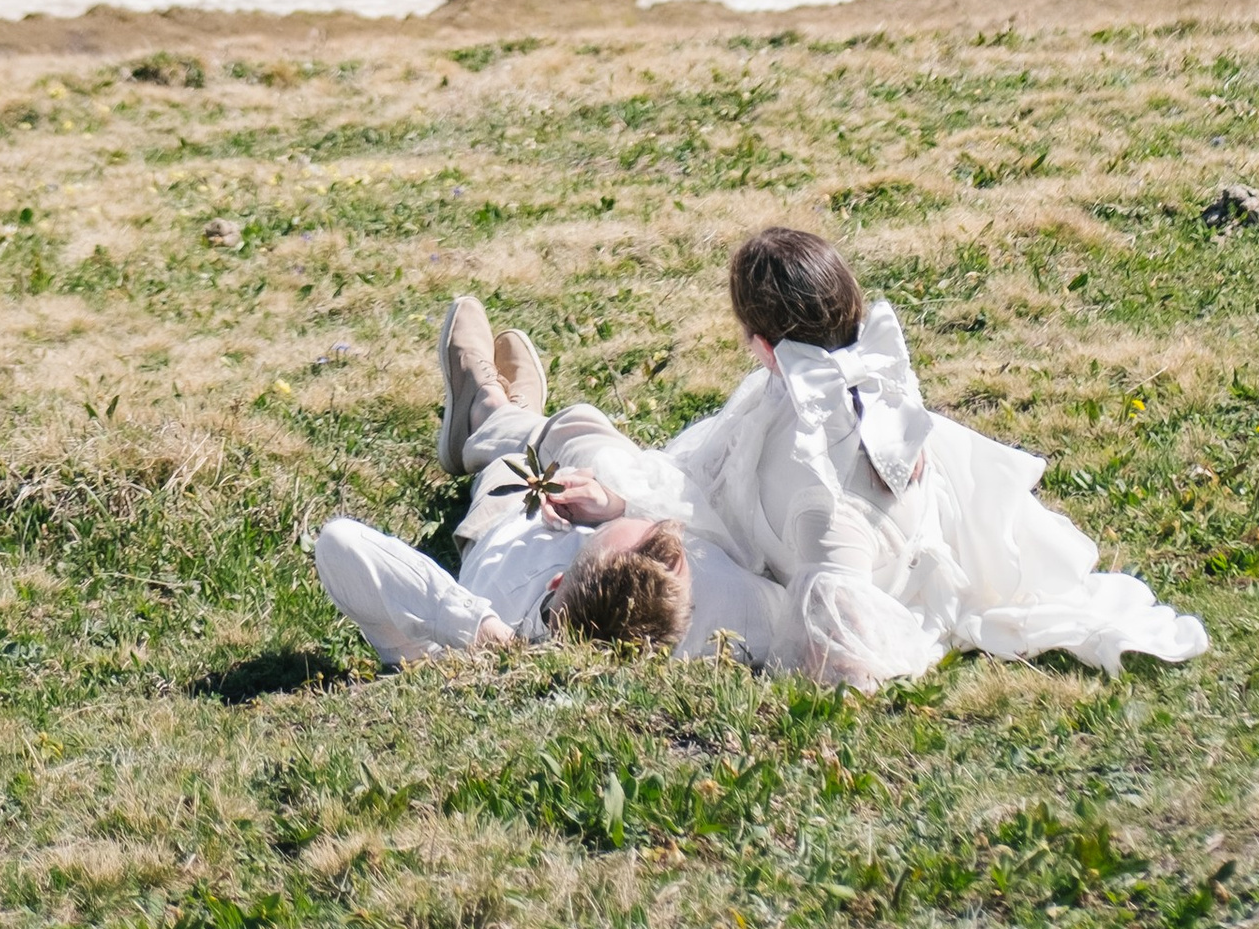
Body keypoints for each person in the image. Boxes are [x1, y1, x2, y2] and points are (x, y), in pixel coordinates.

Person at [661, 225, 1210, 691]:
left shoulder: (810, 467)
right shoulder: (883, 396)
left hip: (875, 577)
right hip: (922, 550)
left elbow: (838, 626)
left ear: (760, 346)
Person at [311, 296, 778, 667]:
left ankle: (487, 412)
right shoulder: (723, 609)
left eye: (591, 538)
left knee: (535, 454)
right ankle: (513, 413)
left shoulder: (477, 643)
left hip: (507, 511)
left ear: (558, 580)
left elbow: (340, 544)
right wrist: (614, 506)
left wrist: (486, 635)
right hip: (566, 480)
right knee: (599, 443)